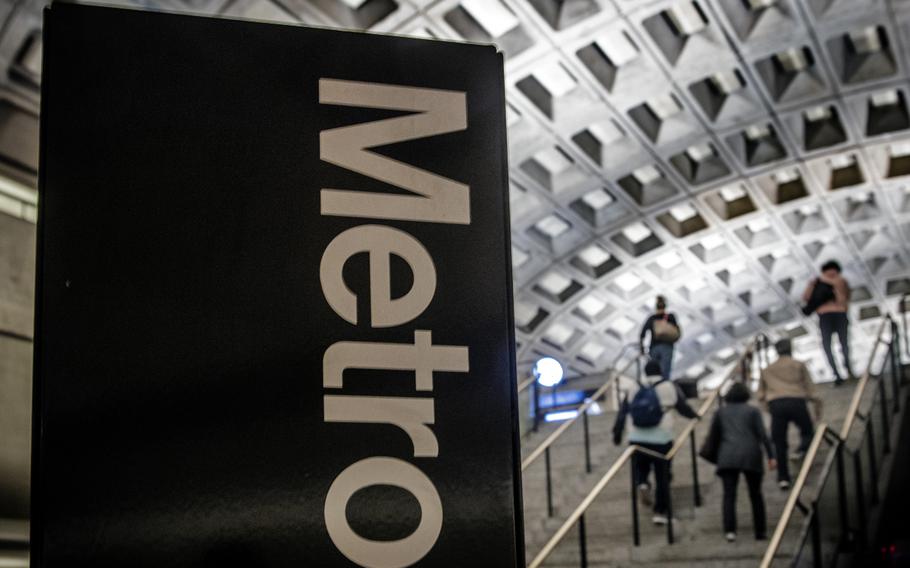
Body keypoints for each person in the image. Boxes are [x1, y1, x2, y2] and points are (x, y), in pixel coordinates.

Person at [613, 360, 698, 525]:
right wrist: (695, 416)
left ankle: (643, 483)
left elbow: (623, 412)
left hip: (636, 437)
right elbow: (682, 407)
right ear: (660, 371)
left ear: (645, 372)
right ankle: (660, 511)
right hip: (662, 437)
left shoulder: (634, 386)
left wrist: (617, 433)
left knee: (640, 466)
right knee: (663, 475)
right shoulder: (669, 386)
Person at [701, 382, 776, 542]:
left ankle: (730, 531)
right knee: (756, 494)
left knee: (729, 494)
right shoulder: (753, 411)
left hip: (727, 457)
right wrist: (771, 456)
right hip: (751, 455)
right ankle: (760, 531)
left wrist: (713, 456)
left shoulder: (720, 412)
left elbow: (713, 436)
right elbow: (763, 435)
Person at [758, 339, 821, 489]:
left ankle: (783, 477)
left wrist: (767, 407)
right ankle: (801, 450)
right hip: (797, 401)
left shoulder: (767, 370)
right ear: (790, 349)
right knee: (808, 431)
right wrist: (817, 404)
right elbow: (810, 387)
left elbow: (761, 394)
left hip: (776, 404)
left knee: (779, 442)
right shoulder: (798, 365)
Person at [802, 260, 854, 385]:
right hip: (831, 315)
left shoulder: (839, 281)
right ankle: (840, 373)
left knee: (838, 344)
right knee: (834, 345)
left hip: (833, 314)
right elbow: (806, 298)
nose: (830, 273)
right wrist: (812, 285)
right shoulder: (823, 282)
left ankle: (844, 371)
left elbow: (843, 298)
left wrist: (827, 284)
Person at [640, 295, 681, 381]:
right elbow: (677, 332)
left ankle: (654, 386)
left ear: (656, 306)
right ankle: (664, 386)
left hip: (654, 348)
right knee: (665, 370)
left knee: (653, 370)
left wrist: (642, 348)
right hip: (667, 347)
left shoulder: (652, 318)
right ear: (665, 306)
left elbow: (642, 334)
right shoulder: (670, 317)